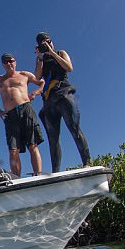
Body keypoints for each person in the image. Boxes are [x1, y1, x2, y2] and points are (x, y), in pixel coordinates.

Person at [34, 31, 91, 172]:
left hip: (64, 94)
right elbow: (37, 78)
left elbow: (69, 67)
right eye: (43, 43)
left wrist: (52, 53)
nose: (46, 44)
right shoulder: (40, 60)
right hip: (48, 100)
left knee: (74, 128)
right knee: (53, 138)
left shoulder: (60, 53)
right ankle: (56, 172)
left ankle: (87, 162)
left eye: (48, 41)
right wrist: (41, 57)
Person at [0, 53, 45, 177]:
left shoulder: (25, 75)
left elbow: (42, 82)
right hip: (10, 115)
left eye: (11, 61)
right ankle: (16, 179)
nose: (9, 63)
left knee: (32, 145)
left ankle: (38, 175)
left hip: (26, 109)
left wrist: (34, 93)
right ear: (3, 64)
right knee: (13, 149)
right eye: (6, 62)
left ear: (15, 62)